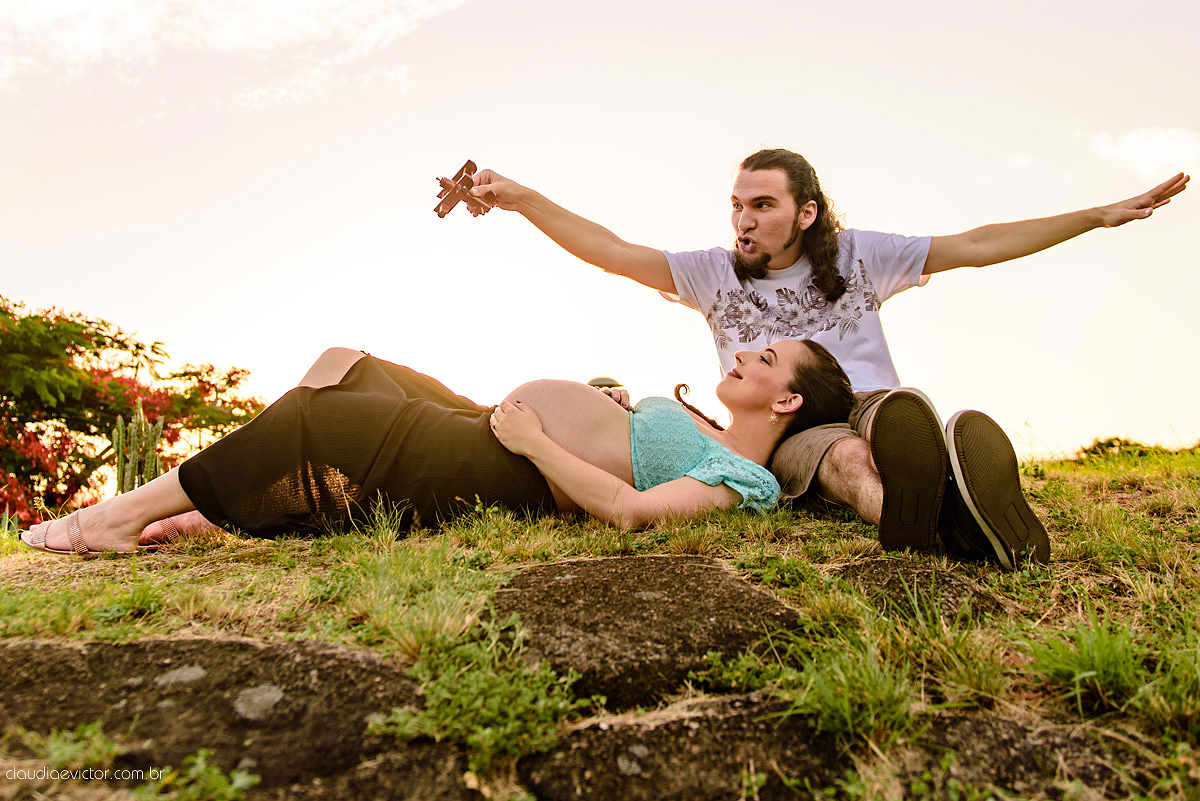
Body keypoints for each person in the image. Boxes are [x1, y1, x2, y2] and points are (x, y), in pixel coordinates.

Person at [466, 152, 1189, 570]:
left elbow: (977, 244)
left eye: (761, 205)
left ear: (805, 213)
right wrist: (522, 197)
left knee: (881, 420)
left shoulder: (861, 255)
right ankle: (938, 522)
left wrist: (1094, 216)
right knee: (840, 455)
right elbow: (614, 253)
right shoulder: (713, 272)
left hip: (876, 400)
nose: (742, 220)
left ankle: (938, 481)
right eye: (736, 205)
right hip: (792, 424)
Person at [21, 340, 854, 555]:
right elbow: (624, 440)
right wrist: (602, 401)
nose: (743, 355)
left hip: (498, 466)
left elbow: (631, 511)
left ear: (784, 400)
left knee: (322, 415)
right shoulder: (699, 427)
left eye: (766, 360)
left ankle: (119, 517)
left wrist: (534, 440)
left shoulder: (745, 478)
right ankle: (228, 509)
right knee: (347, 363)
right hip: (487, 424)